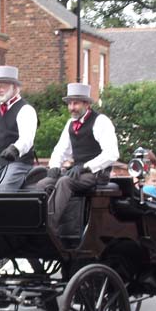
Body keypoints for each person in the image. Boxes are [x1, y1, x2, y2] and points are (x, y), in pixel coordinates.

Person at [35, 82, 119, 225]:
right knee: (43, 183)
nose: (71, 108)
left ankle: (49, 225)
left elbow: (112, 153)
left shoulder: (100, 121)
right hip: (77, 171)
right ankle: (33, 222)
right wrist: (54, 166)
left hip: (97, 174)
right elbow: (60, 149)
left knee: (64, 182)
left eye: (76, 103)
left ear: (86, 104)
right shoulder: (70, 124)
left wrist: (85, 167)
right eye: (69, 103)